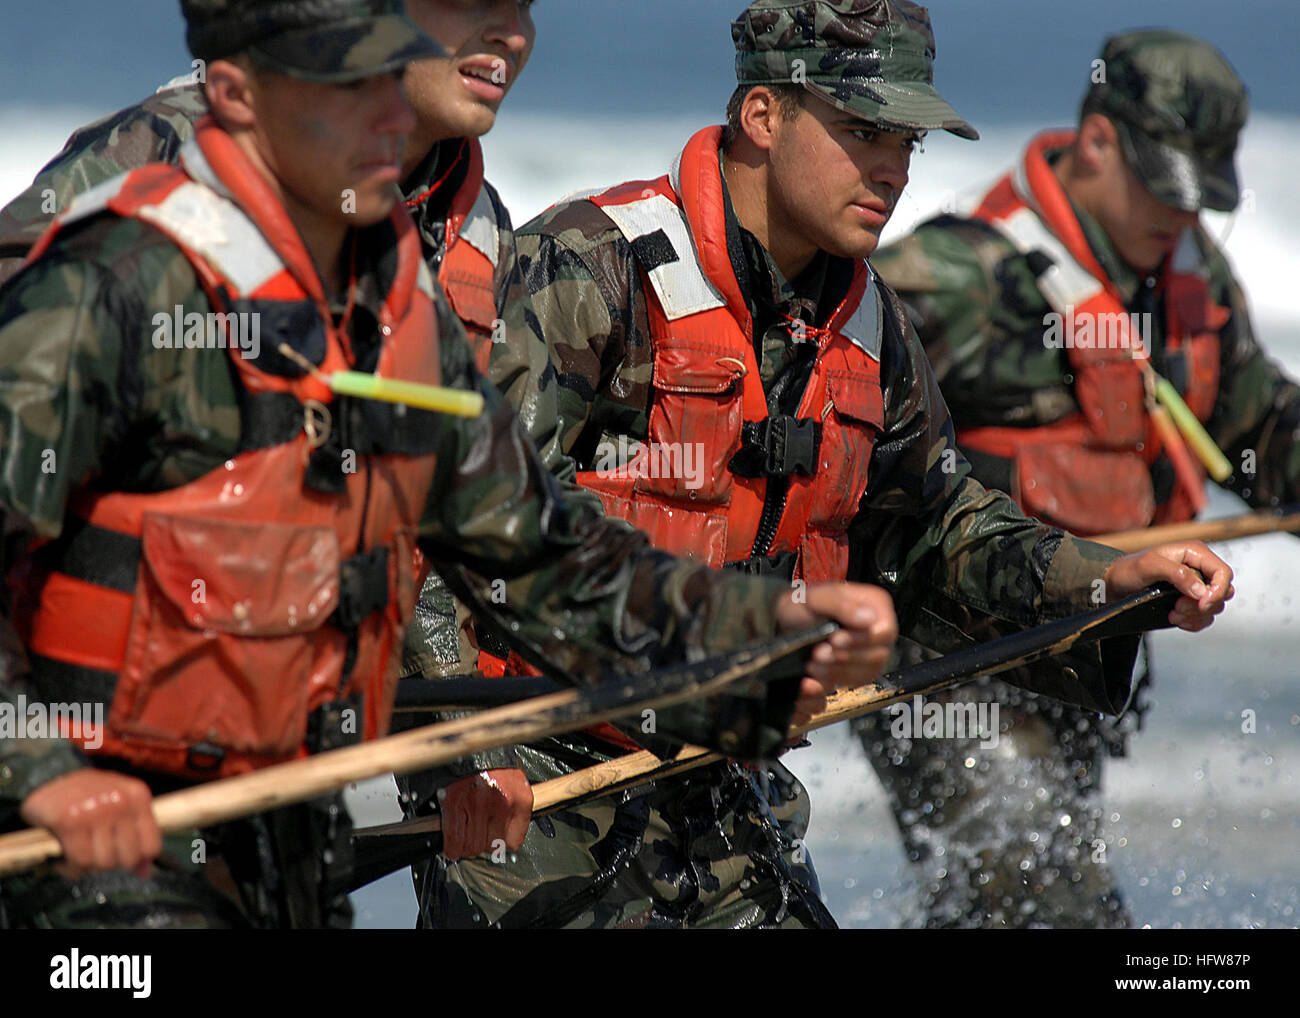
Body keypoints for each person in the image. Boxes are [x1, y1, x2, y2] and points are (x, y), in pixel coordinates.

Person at [0, 0, 899, 929]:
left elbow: (545, 557)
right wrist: (43, 775)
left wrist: (766, 634)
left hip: (276, 838)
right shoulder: (104, 286)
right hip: (80, 851)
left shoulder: (402, 308)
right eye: (355, 87)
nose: (394, 117)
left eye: (397, 81)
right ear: (235, 96)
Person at [416, 0, 1234, 929]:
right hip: (536, 778)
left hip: (719, 775)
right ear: (763, 116)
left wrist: (1108, 580)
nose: (890, 172)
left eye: (907, 146)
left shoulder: (871, 323)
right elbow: (459, 524)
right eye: (861, 133)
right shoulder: (591, 262)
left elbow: (931, 527)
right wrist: (461, 756)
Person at [0, 0, 578, 866]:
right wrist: (37, 764)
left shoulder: (474, 231)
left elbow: (420, 531)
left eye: (525, 6)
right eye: (472, 1)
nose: (511, 33)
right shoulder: (155, 159)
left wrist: (467, 761)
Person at [864, 28, 1296, 927]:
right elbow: (825, 407)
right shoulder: (959, 276)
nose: (1180, 219)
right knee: (1042, 902)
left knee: (1018, 898)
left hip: (1082, 660)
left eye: (1198, 200)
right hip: (949, 666)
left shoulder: (1191, 275)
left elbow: (1259, 425)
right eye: (1163, 189)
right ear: (1097, 139)